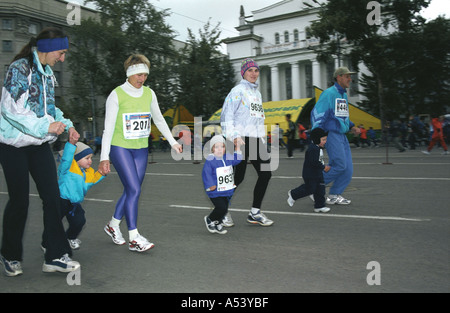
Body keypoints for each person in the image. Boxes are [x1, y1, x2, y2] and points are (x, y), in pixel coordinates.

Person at [0, 27, 81, 276]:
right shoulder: (19, 69)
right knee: (20, 201)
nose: (63, 58)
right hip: (12, 145)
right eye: (62, 52)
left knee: (53, 198)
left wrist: (67, 125)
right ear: (47, 49)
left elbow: (49, 110)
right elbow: (10, 109)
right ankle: (10, 254)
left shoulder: (47, 74)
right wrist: (46, 126)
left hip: (38, 145)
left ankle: (55, 254)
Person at [99, 54, 182, 252]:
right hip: (120, 147)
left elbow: (159, 120)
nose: (142, 79)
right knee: (135, 190)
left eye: (145, 75)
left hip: (141, 149)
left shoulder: (149, 94)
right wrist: (104, 157)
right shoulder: (116, 95)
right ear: (129, 73)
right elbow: (107, 129)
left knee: (131, 189)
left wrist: (172, 142)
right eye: (139, 75)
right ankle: (134, 237)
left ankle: (113, 225)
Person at [220, 58, 274, 226]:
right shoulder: (237, 91)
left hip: (256, 139)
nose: (253, 73)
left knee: (266, 173)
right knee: (237, 177)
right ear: (243, 72)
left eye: (256, 70)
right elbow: (226, 115)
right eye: (250, 70)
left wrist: (262, 140)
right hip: (239, 138)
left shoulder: (257, 94)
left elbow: (257, 119)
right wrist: (234, 137)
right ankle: (221, 211)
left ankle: (255, 212)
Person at [310, 67, 360, 205]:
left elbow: (341, 116)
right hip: (331, 134)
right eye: (347, 76)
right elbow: (318, 113)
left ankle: (334, 195)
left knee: (348, 169)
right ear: (339, 77)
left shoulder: (343, 95)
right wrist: (318, 133)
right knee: (339, 165)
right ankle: (313, 186)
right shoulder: (329, 94)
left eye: (350, 76)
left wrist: (352, 126)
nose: (350, 79)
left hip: (342, 135)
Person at [45, 141, 105, 250]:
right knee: (54, 223)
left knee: (79, 221)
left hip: (74, 203)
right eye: (87, 158)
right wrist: (71, 145)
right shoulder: (68, 167)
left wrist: (101, 174)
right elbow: (67, 157)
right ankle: (46, 243)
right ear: (76, 158)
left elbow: (92, 181)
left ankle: (70, 237)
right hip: (61, 200)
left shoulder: (88, 172)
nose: (90, 161)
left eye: (91, 158)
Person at [202, 135, 242, 234]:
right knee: (221, 208)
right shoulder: (210, 160)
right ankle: (210, 219)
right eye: (217, 147)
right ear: (212, 149)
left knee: (224, 209)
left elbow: (237, 159)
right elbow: (206, 173)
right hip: (214, 191)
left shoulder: (227, 158)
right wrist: (210, 185)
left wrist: (238, 148)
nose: (220, 149)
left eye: (222, 147)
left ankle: (218, 222)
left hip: (226, 190)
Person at [287, 128, 331, 213]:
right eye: (323, 139)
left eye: (325, 139)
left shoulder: (318, 148)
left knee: (320, 189)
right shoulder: (313, 149)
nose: (325, 141)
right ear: (317, 139)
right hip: (310, 173)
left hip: (317, 173)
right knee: (310, 188)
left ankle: (319, 206)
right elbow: (314, 162)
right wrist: (323, 167)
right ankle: (293, 194)